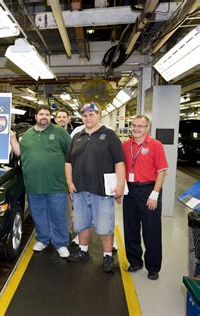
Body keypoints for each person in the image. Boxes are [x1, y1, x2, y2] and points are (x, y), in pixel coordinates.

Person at [65, 103, 125, 273]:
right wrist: (69, 183)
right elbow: (68, 162)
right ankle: (83, 251)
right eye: (84, 115)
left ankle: (107, 256)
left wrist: (120, 185)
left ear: (99, 115)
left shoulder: (110, 135)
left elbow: (119, 162)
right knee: (82, 224)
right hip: (80, 190)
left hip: (102, 191)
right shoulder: (77, 136)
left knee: (105, 226)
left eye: (91, 114)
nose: (87, 118)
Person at [10, 105, 71, 258]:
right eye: (41, 114)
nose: (44, 116)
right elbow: (20, 153)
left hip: (56, 184)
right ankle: (43, 239)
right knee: (38, 214)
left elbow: (70, 154)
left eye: (47, 114)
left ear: (50, 117)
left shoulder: (60, 132)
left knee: (58, 215)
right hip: (33, 184)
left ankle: (61, 243)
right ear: (36, 116)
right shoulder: (28, 135)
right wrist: (11, 138)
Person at [122, 115, 168, 280]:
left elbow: (162, 172)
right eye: (133, 125)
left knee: (151, 230)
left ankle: (153, 266)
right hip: (130, 190)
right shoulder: (126, 145)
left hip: (149, 190)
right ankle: (135, 261)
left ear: (147, 127)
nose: (136, 128)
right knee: (131, 228)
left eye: (140, 126)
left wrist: (155, 194)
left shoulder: (156, 145)